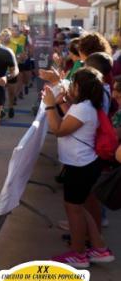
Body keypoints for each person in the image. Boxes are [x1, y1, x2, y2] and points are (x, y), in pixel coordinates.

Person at [43, 68, 114, 268]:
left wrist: (49, 107)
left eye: (73, 83)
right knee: (79, 208)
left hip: (80, 165)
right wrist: (60, 104)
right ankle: (99, 248)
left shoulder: (84, 108)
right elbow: (72, 120)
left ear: (79, 87)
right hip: (83, 164)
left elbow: (58, 130)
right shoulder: (84, 106)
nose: (70, 86)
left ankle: (79, 254)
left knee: (73, 209)